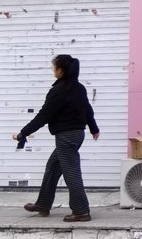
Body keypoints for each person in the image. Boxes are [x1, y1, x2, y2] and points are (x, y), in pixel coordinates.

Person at [13, 54, 99, 222]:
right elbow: (88, 109)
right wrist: (94, 129)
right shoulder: (79, 88)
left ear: (60, 71)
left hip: (67, 136)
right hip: (76, 134)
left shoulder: (59, 90)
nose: (52, 70)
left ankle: (81, 211)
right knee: (53, 166)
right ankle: (43, 204)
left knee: (71, 173)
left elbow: (44, 115)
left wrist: (23, 133)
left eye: (53, 67)